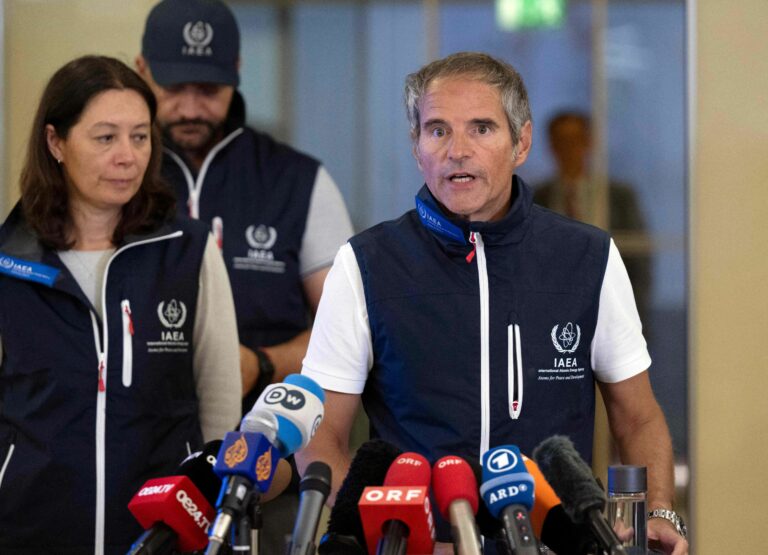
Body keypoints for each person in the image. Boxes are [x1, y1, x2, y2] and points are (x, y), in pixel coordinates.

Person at [296, 52, 688, 555]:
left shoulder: (588, 256)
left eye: (481, 129)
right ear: (417, 147)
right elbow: (320, 436)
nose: (457, 151)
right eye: (437, 130)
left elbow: (637, 418)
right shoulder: (365, 263)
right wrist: (379, 529)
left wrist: (658, 511)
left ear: (521, 142)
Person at [135, 0, 354, 549]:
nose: (191, 107)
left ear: (236, 72)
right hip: (133, 460)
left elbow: (346, 334)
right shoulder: (119, 179)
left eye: (209, 89)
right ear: (142, 70)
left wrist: (262, 363)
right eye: (174, 87)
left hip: (265, 471)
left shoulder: (299, 181)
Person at [0, 56, 241, 554]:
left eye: (140, 136)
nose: (128, 156)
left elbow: (219, 402)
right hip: (31, 528)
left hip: (163, 531)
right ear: (55, 143)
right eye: (106, 137)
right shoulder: (9, 260)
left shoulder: (187, 250)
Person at [535, 110, 651, 324]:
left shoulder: (618, 197)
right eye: (561, 141)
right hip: (551, 314)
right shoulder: (534, 197)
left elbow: (639, 263)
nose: (569, 149)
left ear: (589, 142)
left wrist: (634, 318)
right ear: (551, 145)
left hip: (609, 310)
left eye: (575, 140)